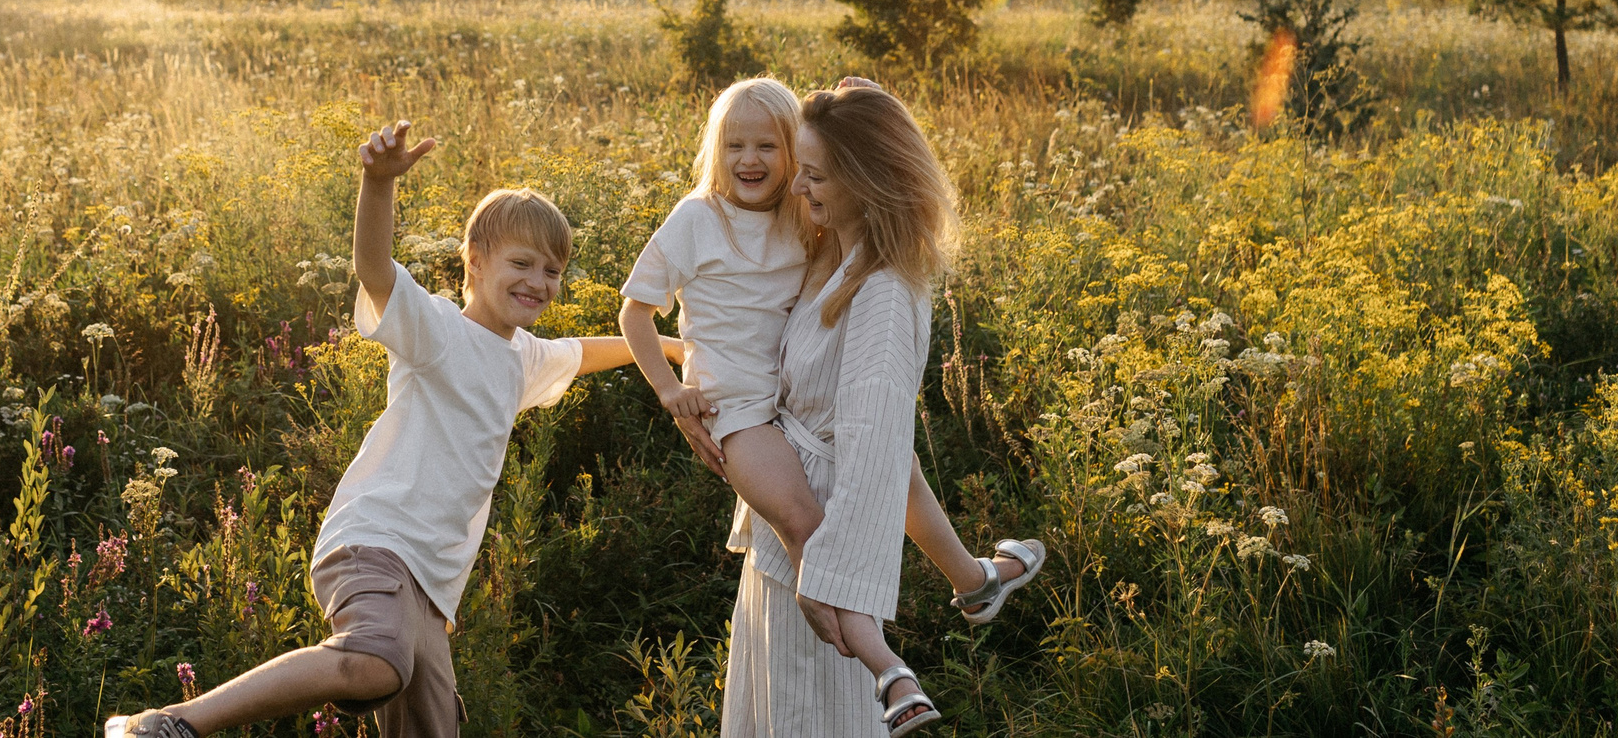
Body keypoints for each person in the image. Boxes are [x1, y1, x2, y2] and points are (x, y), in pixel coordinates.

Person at [107, 120, 675, 738]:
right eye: (521, 263)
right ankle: (169, 725)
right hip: (378, 542)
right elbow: (374, 266)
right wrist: (377, 183)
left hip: (431, 586)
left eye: (551, 270)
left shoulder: (523, 359)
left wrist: (666, 346)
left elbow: (582, 351)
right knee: (374, 663)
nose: (537, 282)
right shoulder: (435, 330)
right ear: (475, 263)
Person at [617, 79, 1044, 644]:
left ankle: (949, 604)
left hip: (809, 451)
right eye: (734, 146)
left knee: (897, 465)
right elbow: (639, 312)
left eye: (773, 150)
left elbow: (856, 179)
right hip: (754, 426)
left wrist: (864, 105)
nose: (755, 162)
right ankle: (932, 613)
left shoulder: (821, 234)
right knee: (826, 516)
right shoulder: (717, 217)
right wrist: (674, 389)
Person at [713, 82, 992, 736]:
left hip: (820, 567)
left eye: (814, 174)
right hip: (778, 551)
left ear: (864, 183)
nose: (797, 185)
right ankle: (980, 579)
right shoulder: (831, 258)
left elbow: (874, 450)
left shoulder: (885, 294)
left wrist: (828, 572)